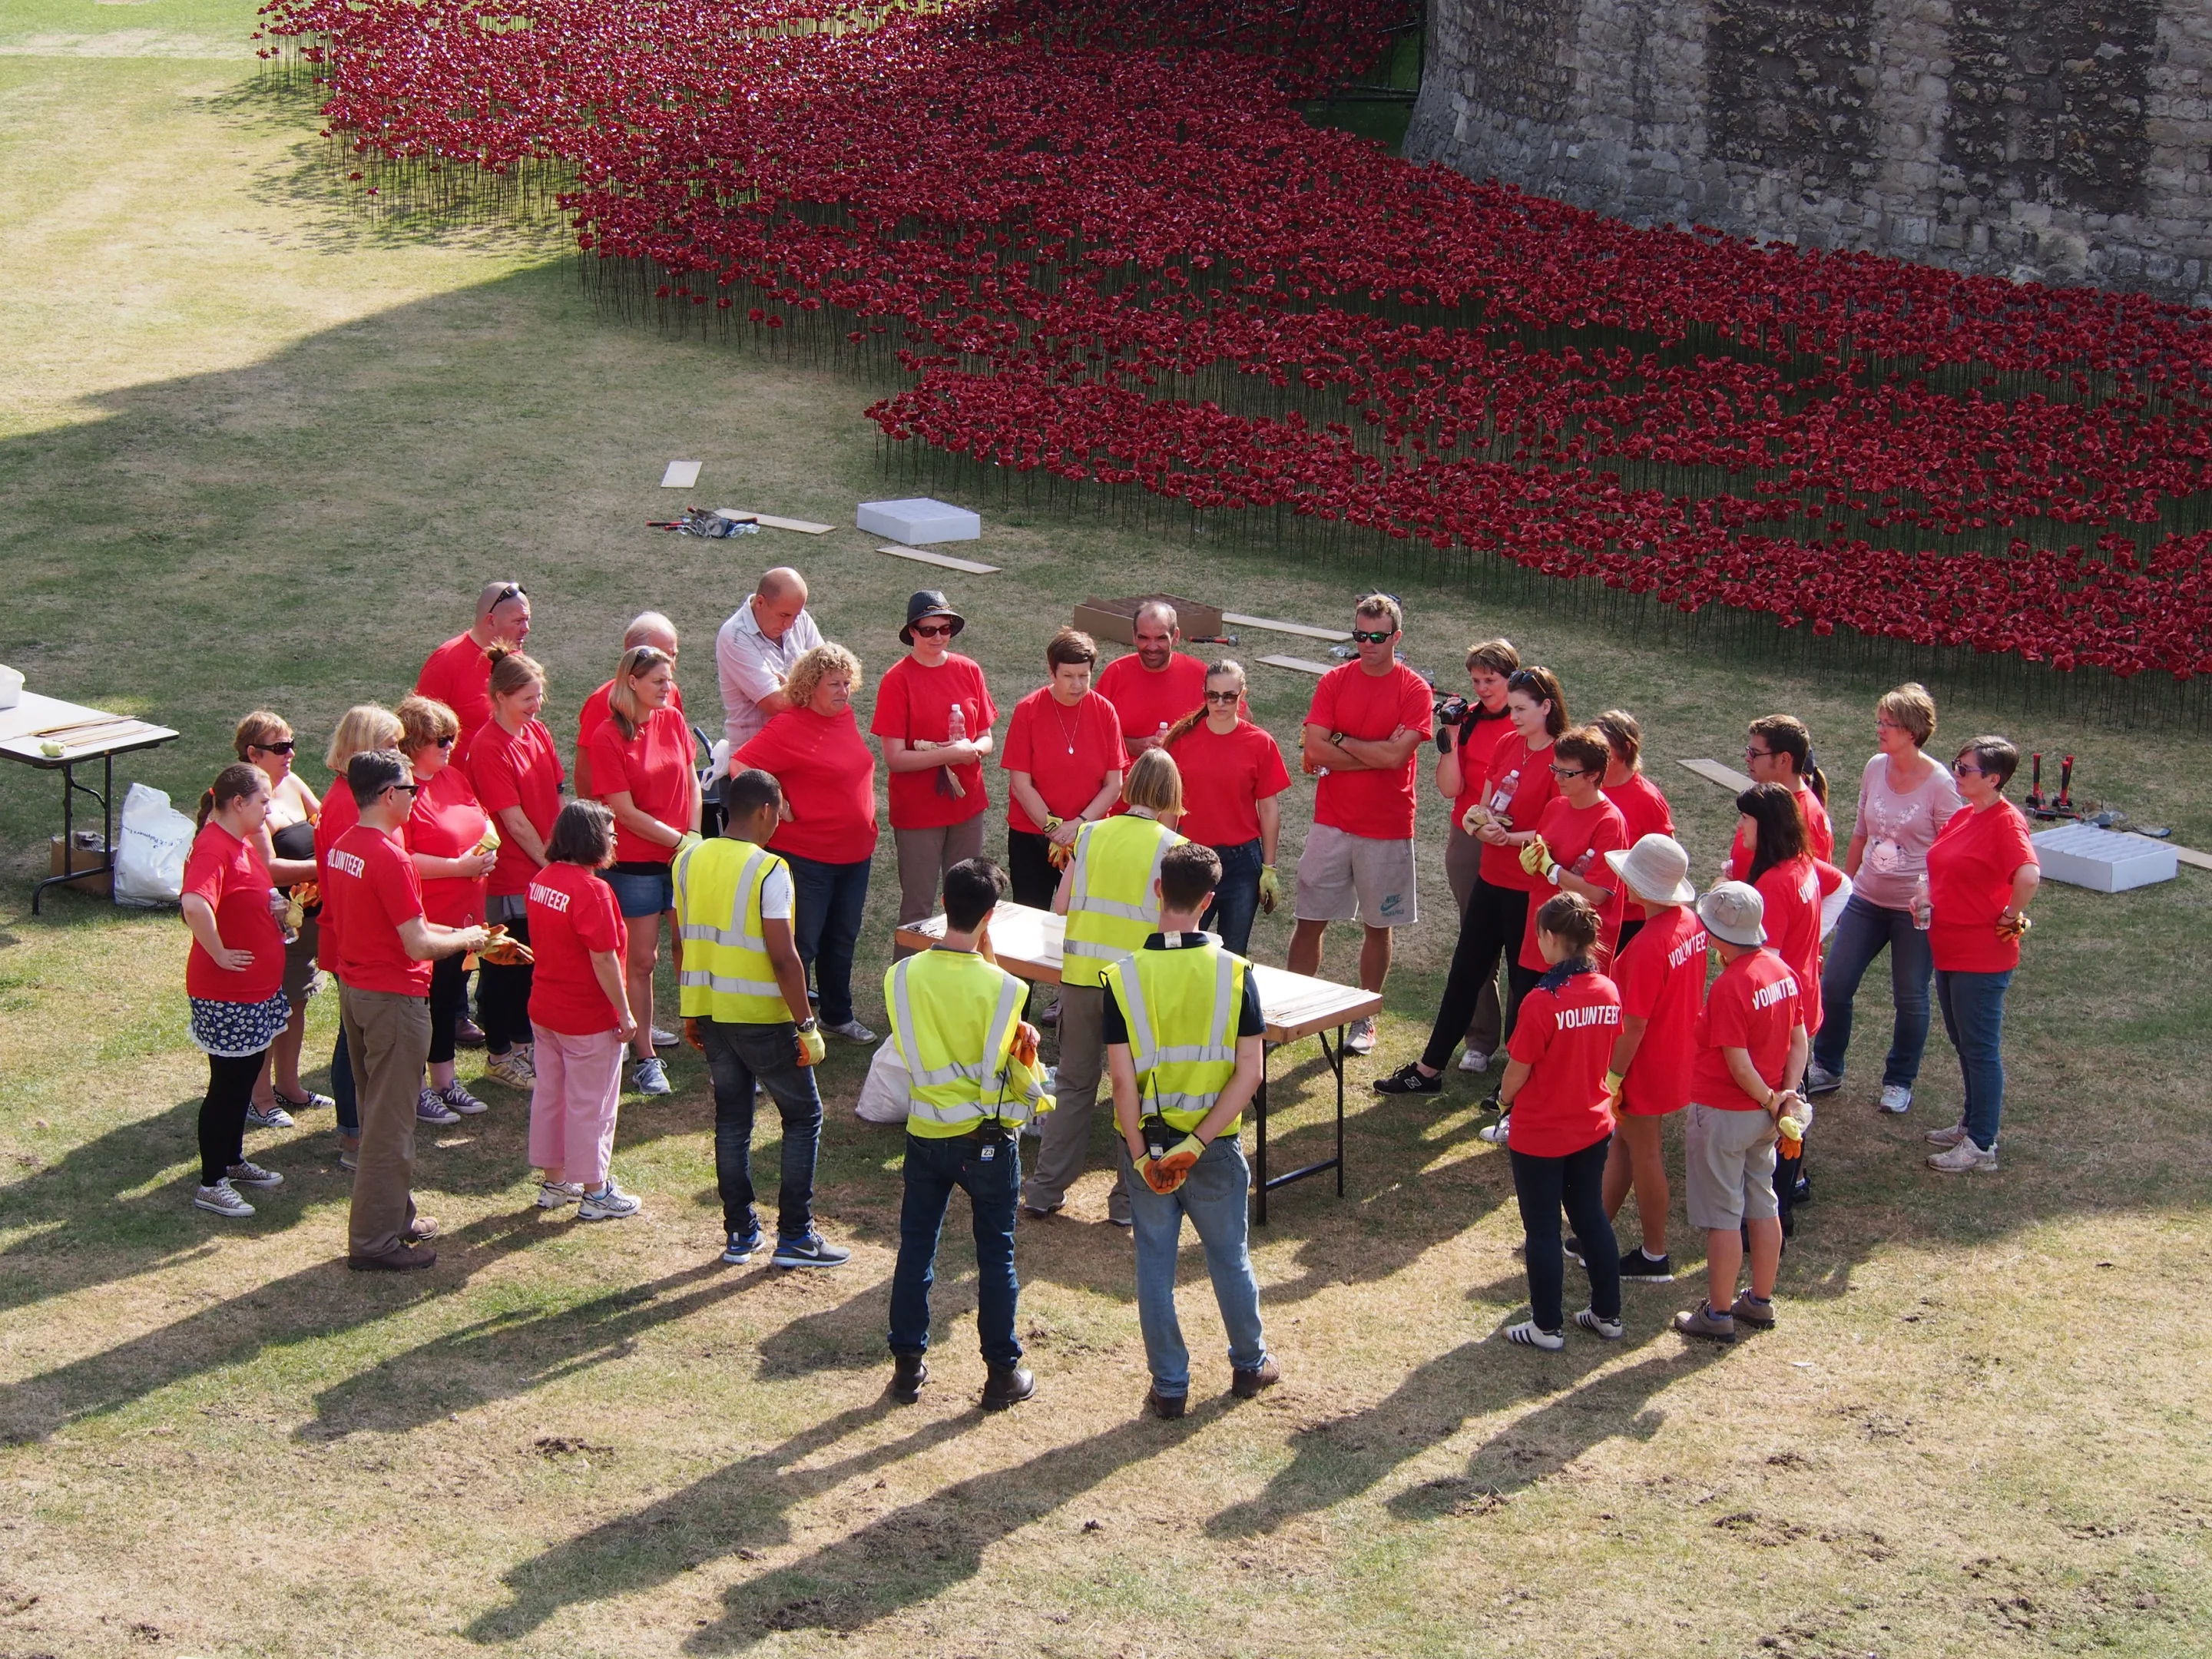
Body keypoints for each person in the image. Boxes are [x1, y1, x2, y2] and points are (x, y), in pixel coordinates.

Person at [1105, 842, 1278, 1415]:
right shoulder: (1235, 973)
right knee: (1230, 1258)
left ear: (1158, 890)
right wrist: (1197, 1144)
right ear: (1209, 901)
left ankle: (1170, 1387)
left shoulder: (1123, 978)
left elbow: (1123, 1084)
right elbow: (1249, 1072)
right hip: (1214, 1148)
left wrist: (1140, 1154)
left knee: (1154, 1265)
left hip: (1148, 1147)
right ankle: (1249, 1365)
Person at [882, 856, 1051, 1411]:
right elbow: (1005, 1039)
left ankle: (907, 1370)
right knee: (995, 1256)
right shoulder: (1006, 989)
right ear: (991, 916)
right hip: (986, 1138)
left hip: (926, 1131)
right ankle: (1001, 1375)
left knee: (916, 1251)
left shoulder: (900, 976)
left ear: (944, 906)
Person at [674, 767, 850, 1270]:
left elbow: (681, 942)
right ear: (766, 812)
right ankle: (795, 1236)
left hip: (710, 1011)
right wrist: (806, 1024)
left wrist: (691, 1010)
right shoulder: (770, 869)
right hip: (762, 1017)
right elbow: (784, 957)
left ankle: (740, 1235)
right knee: (804, 1117)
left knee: (732, 1123)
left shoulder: (688, 859)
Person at [321, 750, 488, 1270]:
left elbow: (396, 927)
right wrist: (466, 938)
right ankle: (374, 1243)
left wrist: (461, 934)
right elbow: (416, 944)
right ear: (389, 794)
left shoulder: (346, 846)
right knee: (391, 1125)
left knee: (380, 1113)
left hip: (360, 992)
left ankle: (394, 1218)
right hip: (394, 999)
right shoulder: (390, 856)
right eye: (411, 790)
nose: (418, 797)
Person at [1373, 667, 1567, 1096]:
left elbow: (1557, 830)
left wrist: (1509, 836)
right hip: (1491, 878)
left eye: (1521, 709)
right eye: (1511, 708)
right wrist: (1481, 826)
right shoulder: (1506, 745)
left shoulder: (1562, 760)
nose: (1512, 716)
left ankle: (1519, 1086)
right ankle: (1428, 1070)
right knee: (1465, 972)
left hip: (1530, 890)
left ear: (1546, 707)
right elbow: (1479, 808)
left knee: (1525, 983)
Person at [1022, 749, 1187, 1226]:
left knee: (1074, 1084)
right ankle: (1126, 1200)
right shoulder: (1173, 847)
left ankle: (1043, 1189)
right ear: (1171, 794)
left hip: (1079, 980)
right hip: (1135, 986)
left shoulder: (1090, 834)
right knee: (1132, 1091)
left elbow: (1059, 904)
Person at [1804, 684, 1963, 1113]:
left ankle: (1899, 1080)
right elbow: (1860, 832)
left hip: (1915, 911)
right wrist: (1845, 887)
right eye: (1879, 721)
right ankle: (1828, 1066)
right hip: (1867, 899)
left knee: (1910, 996)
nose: (1878, 729)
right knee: (1834, 984)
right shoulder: (1875, 767)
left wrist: (1928, 894)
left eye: (1887, 723)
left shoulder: (1941, 786)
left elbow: (1949, 850)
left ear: (1911, 731)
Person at [1289, 594, 1434, 1055]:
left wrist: (1342, 743)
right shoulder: (1334, 681)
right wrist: (1374, 755)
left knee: (1378, 925)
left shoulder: (1414, 690)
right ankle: (1289, 1006)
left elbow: (1396, 757)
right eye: (1359, 635)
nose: (1367, 644)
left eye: (1377, 637)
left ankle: (1367, 1018)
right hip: (1331, 822)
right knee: (1308, 919)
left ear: (1396, 637)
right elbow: (1314, 752)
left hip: (1387, 826)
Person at [1489, 893, 1624, 1351]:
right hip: (1593, 1125)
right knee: (1591, 1218)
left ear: (1551, 938)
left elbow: (1518, 1069)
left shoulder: (1541, 1002)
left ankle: (1547, 1326)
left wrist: (1503, 1100)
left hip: (1541, 1133)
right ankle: (1607, 1315)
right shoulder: (1607, 990)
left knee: (1542, 1229)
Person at [1674, 881, 1807, 1342]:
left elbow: (1737, 1061)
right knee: (1763, 1203)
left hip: (1727, 1112)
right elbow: (1798, 1040)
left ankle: (1718, 1313)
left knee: (1724, 1217)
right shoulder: (1781, 971)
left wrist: (1771, 1098)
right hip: (1766, 1118)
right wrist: (1785, 1096)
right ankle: (1761, 1301)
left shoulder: (1732, 986)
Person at [734, 643, 879, 1044]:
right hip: (808, 856)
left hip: (855, 853)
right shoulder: (788, 726)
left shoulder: (845, 717)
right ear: (810, 686)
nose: (844, 692)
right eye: (834, 684)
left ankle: (838, 1014)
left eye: (848, 683)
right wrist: (778, 801)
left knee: (843, 936)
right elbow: (741, 766)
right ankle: (783, 1023)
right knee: (803, 942)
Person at [1581, 835, 1707, 1282]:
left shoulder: (1648, 946)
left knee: (1645, 1152)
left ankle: (1656, 1255)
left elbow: (1633, 1024)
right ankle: (1593, 1228)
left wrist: (1612, 1076)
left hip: (1644, 1064)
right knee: (1627, 1145)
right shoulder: (1689, 923)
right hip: (1675, 1054)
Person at [588, 643, 703, 1094]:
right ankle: (645, 1056)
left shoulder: (673, 718)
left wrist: (691, 837)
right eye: (658, 680)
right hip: (635, 866)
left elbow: (693, 779)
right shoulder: (606, 736)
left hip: (681, 858)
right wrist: (680, 842)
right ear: (631, 682)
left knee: (691, 950)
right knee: (641, 960)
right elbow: (623, 810)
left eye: (669, 679)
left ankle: (711, 1043)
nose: (667, 688)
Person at [1922, 736, 2041, 1174]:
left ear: (1994, 779)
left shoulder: (2006, 824)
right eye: (1956, 764)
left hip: (1981, 957)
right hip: (1950, 949)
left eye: (1965, 768)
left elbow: (2028, 875)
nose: (1956, 773)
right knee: (1964, 1043)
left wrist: (2011, 914)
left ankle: (1982, 1145)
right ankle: (1971, 1124)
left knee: (1980, 1048)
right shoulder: (1965, 815)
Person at [180, 763, 292, 1218]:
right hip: (228, 994)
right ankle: (212, 1182)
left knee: (243, 1080)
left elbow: (241, 899)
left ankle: (232, 1160)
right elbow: (193, 903)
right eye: (264, 801)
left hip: (254, 991)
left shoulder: (240, 844)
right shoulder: (213, 849)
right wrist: (220, 952)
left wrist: (275, 909)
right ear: (239, 802)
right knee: (228, 1086)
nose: (270, 809)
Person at [526, 800, 644, 1220]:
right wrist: (625, 1013)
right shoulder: (593, 891)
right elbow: (603, 958)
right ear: (591, 839)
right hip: (586, 1016)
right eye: (610, 834)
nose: (615, 840)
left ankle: (556, 1182)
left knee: (551, 1096)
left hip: (546, 1010)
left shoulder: (542, 879)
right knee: (592, 1102)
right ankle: (596, 1191)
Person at [468, 648, 566, 1092]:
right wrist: (551, 863)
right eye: (528, 698)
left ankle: (526, 1048)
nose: (536, 706)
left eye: (539, 696)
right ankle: (501, 1055)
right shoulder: (488, 747)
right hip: (512, 875)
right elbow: (513, 820)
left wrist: (566, 849)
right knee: (507, 966)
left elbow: (556, 793)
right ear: (501, 697)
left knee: (534, 965)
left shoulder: (537, 732)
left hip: (544, 867)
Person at [873, 591, 996, 935]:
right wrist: (948, 754)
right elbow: (894, 759)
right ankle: (906, 984)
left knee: (969, 900)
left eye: (946, 629)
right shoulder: (897, 680)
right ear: (912, 631)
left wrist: (974, 749)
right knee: (918, 905)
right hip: (919, 812)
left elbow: (987, 737)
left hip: (967, 805)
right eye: (929, 630)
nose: (938, 637)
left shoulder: (969, 669)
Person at [398, 694, 495, 1125]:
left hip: (466, 915)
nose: (449, 746)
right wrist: (460, 866)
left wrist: (487, 846)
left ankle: (445, 1081)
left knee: (449, 1002)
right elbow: (402, 855)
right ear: (414, 742)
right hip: (428, 919)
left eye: (452, 738)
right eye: (440, 739)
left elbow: (483, 817)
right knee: (424, 1005)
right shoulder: (401, 791)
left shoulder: (454, 777)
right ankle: (417, 1088)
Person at [316, 703, 406, 1168]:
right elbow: (347, 881)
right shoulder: (345, 808)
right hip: (356, 938)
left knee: (356, 1038)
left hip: (354, 935)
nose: (399, 753)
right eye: (391, 745)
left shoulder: (345, 799)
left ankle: (359, 1131)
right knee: (353, 1043)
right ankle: (355, 1138)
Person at [233, 711, 327, 1128]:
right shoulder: (247, 797)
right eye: (279, 748)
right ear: (253, 754)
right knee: (271, 1007)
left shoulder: (292, 782)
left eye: (291, 744)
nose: (290, 754)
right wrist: (321, 870)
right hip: (271, 919)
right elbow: (267, 867)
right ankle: (260, 1097)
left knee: (297, 999)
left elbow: (324, 822)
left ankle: (290, 1086)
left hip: (306, 916)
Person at [1161, 660, 1289, 955]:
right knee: (1183, 951)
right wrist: (1163, 857)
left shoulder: (1260, 743)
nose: (1220, 703)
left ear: (1242, 694)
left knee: (1233, 956)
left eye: (1229, 696)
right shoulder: (1181, 740)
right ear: (1203, 694)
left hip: (1242, 863)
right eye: (1213, 695)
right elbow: (1169, 805)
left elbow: (1269, 809)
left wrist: (1269, 868)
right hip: (1189, 858)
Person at [1434, 638, 1519, 1071]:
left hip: (1515, 837)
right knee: (1476, 939)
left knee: (1523, 945)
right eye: (1476, 680)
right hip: (1469, 837)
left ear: (1512, 679)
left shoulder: (1526, 722)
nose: (1483, 688)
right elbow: (1450, 788)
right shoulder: (1466, 721)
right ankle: (1481, 1040)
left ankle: (1524, 1046)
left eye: (1492, 680)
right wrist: (1450, 736)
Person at [1000, 626, 1124, 913]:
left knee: (1085, 918)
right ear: (1052, 673)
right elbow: (1021, 784)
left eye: (1084, 676)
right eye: (1068, 676)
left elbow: (1114, 783)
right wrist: (1054, 829)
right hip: (1031, 836)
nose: (1077, 685)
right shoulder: (1027, 710)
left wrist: (1077, 825)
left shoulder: (1105, 711)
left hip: (1088, 835)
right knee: (1030, 918)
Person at [715, 567, 822, 762]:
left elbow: (832, 676)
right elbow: (776, 704)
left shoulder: (800, 618)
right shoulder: (735, 636)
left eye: (795, 615)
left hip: (801, 750)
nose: (790, 624)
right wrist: (814, 684)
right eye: (784, 616)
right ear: (761, 603)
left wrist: (790, 686)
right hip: (755, 760)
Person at [575, 611, 685, 796]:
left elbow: (680, 754)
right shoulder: (602, 701)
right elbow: (586, 773)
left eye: (673, 655)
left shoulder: (670, 692)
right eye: (659, 656)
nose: (670, 665)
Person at [1594, 709, 1675, 959]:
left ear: (1625, 749)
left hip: (1631, 916)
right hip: (1592, 907)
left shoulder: (1647, 799)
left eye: (1602, 747)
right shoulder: (1586, 785)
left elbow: (1667, 858)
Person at [416, 579, 533, 752]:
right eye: (518, 621)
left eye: (527, 619)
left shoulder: (513, 655)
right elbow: (417, 731)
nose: (527, 628)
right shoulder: (445, 662)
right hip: (465, 777)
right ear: (491, 621)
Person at [1094, 600, 1207, 760]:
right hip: (1127, 781)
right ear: (1134, 635)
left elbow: (1239, 721)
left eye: (1161, 638)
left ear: (1175, 637)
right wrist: (1131, 746)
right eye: (1144, 638)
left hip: (1184, 779)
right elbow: (1091, 733)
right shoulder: (1116, 673)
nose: (1152, 647)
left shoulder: (1200, 675)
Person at [1724, 715, 1833, 880]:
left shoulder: (1806, 818)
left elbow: (1808, 886)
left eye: (1755, 753)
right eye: (1749, 751)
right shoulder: (1766, 798)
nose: (1748, 758)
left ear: (1784, 759)